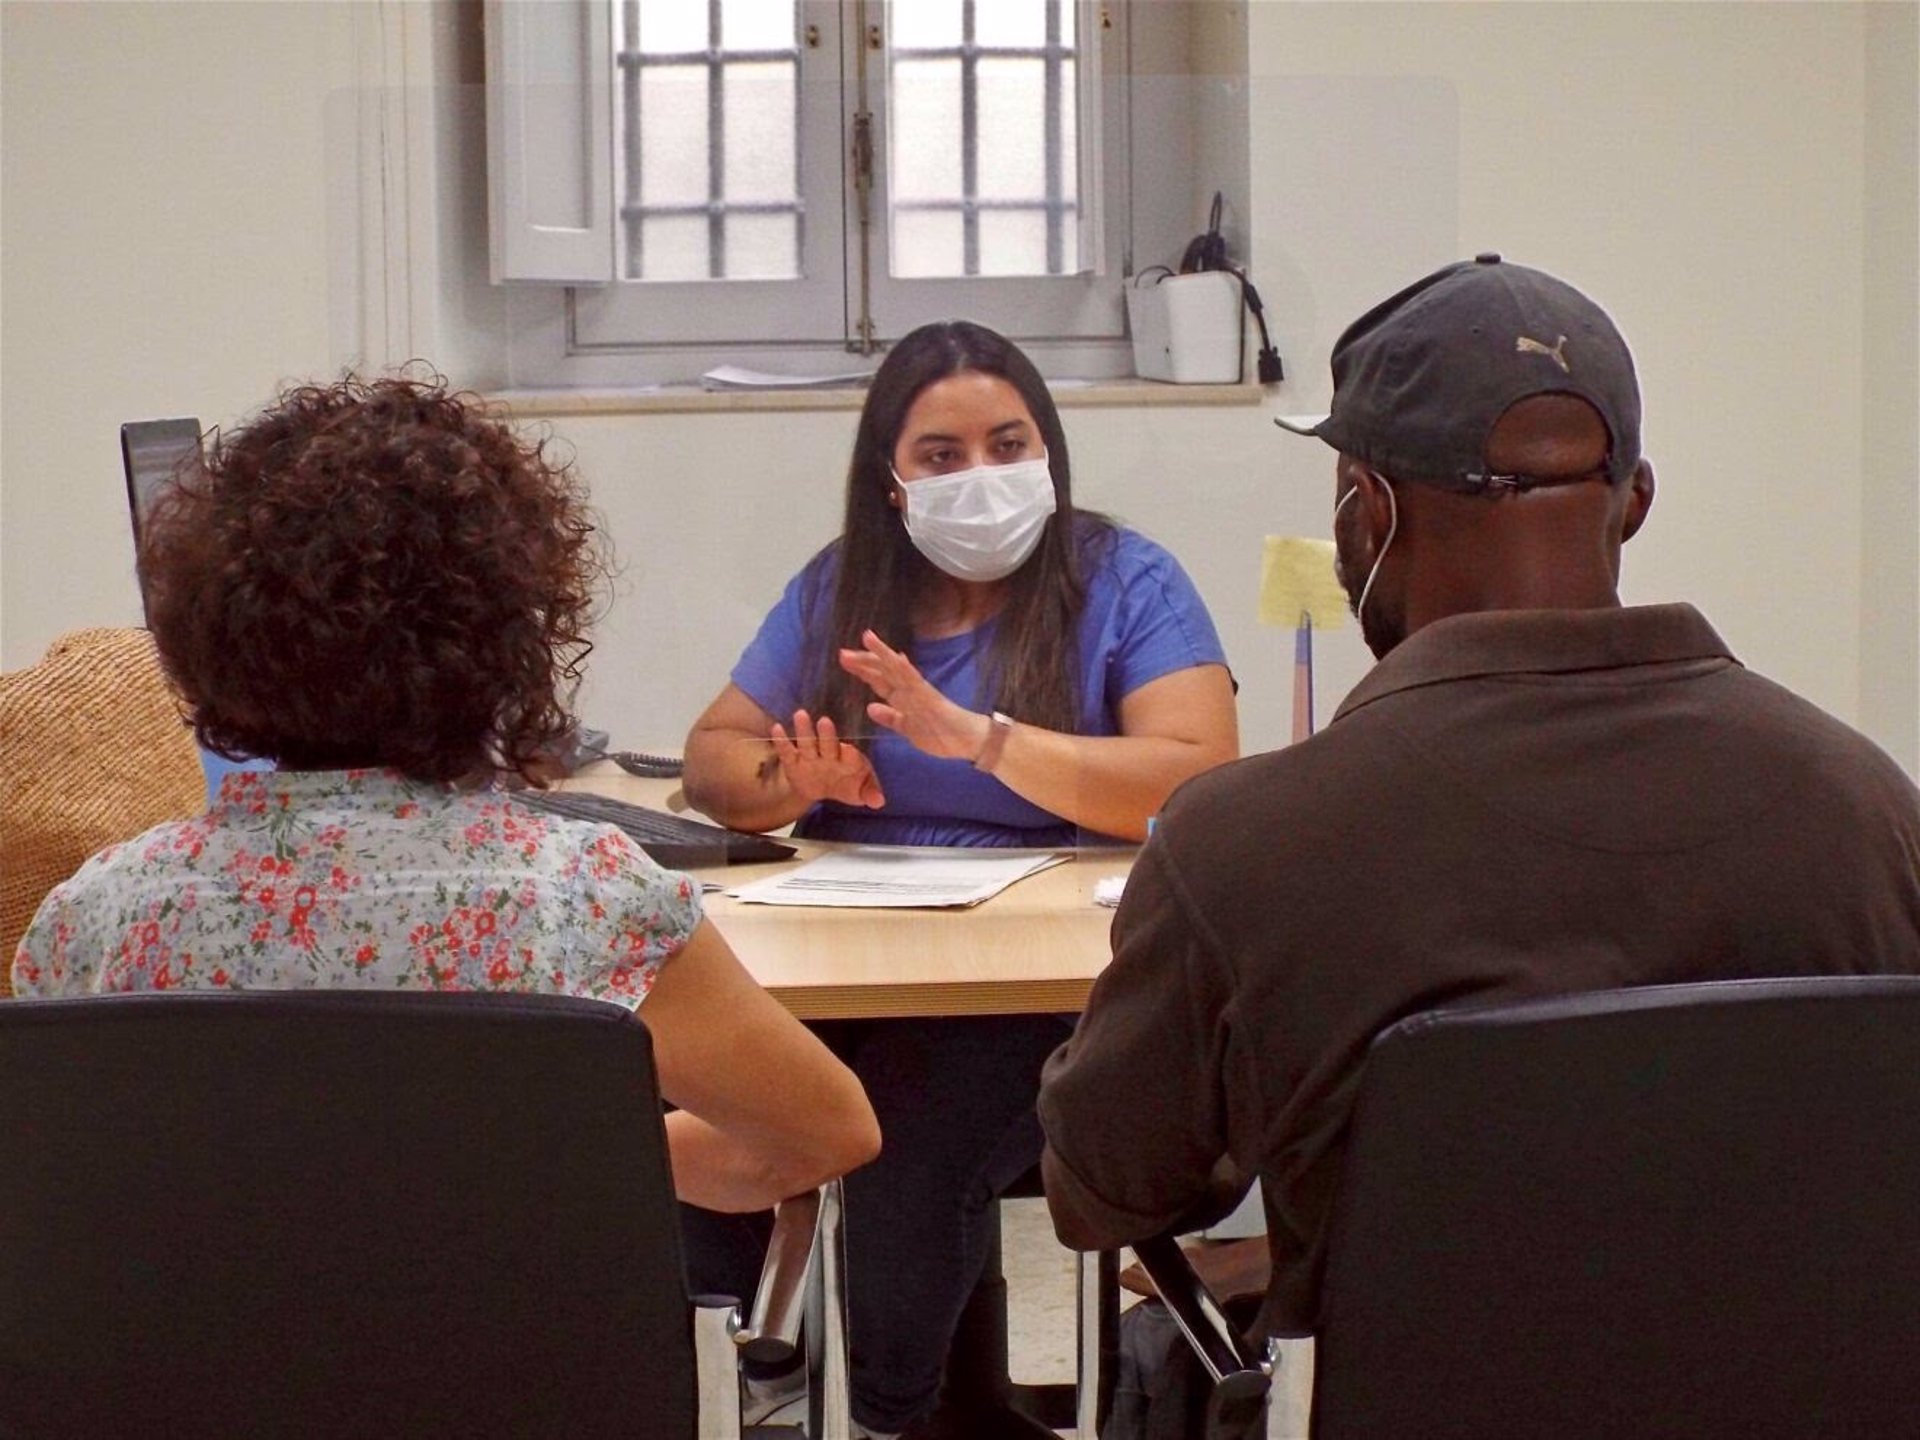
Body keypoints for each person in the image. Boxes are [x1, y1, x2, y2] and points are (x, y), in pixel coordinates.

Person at [1038, 255, 1920, 1347]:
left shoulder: (1245, 845)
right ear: (1636, 502)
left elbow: (1102, 1195)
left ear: (1368, 513)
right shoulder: (1864, 808)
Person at [11, 374, 880, 1218]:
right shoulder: (586, 896)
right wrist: (512, 1162)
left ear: (207, 636)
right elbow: (824, 1135)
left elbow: (60, 1193)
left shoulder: (96, 916)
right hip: (515, 1323)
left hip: (203, 1324)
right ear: (510, 638)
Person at [680, 320, 1238, 1438]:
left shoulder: (1122, 577)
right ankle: (731, 1374)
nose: (980, 475)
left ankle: (887, 1415)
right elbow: (710, 760)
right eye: (941, 455)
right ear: (891, 480)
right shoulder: (845, 587)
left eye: (1007, 444)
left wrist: (984, 741)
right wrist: (786, 781)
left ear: (1048, 451)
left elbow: (1196, 776)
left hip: (1045, 992)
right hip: (849, 958)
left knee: (900, 1137)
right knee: (690, 1092)